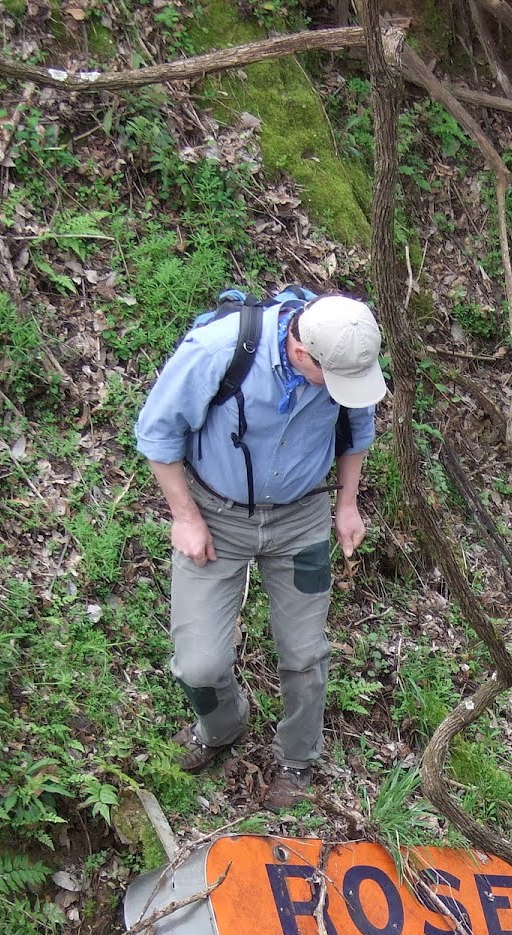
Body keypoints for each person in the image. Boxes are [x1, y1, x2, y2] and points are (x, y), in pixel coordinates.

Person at [135, 291, 387, 807]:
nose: (344, 391)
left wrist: (347, 504)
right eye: (334, 381)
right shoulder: (217, 351)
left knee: (305, 652)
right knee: (198, 665)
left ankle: (298, 757)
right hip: (216, 518)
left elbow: (356, 433)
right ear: (301, 354)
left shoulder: (346, 356)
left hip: (303, 521)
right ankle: (221, 726)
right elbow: (158, 433)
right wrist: (185, 517)